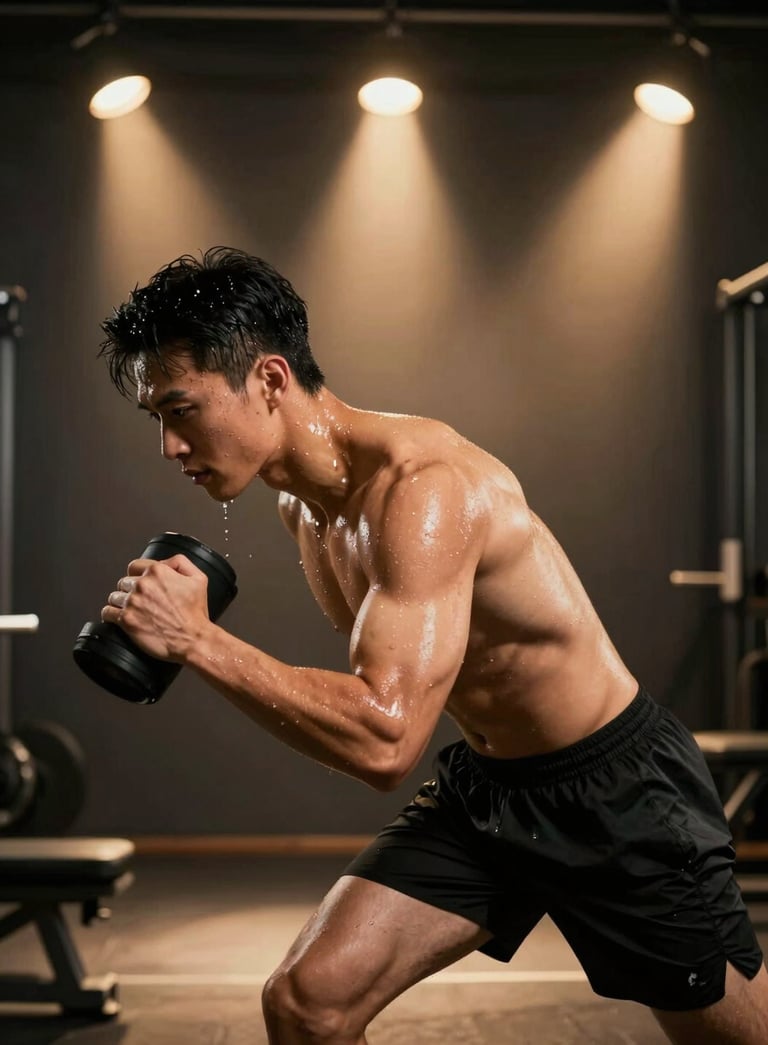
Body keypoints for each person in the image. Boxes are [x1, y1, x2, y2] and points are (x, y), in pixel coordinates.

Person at [99, 247, 768, 1044]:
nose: (171, 447)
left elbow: (386, 737)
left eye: (181, 410)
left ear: (270, 381)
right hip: (491, 791)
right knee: (308, 1001)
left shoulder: (423, 491)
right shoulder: (305, 511)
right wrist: (200, 643)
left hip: (617, 792)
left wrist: (201, 642)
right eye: (157, 420)